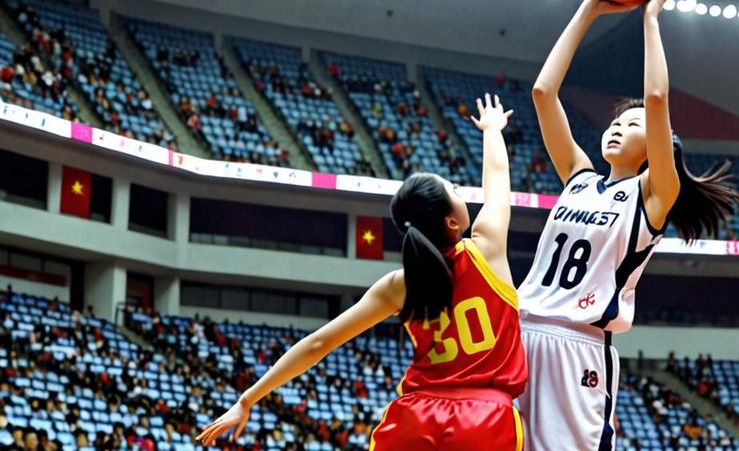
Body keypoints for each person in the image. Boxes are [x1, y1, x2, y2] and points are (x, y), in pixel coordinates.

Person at [197, 94, 526, 450]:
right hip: (485, 418)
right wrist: (492, 129)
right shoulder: (487, 247)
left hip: (415, 420)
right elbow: (498, 177)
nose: (462, 194)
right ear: (451, 220)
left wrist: (248, 398)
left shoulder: (398, 285)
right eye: (456, 190)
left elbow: (318, 344)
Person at [517, 0, 738, 450]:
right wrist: (589, 9)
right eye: (615, 120)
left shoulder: (656, 193)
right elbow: (542, 93)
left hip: (579, 346)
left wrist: (651, 18)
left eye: (632, 123)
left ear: (658, 144)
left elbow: (656, 99)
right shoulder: (578, 177)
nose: (617, 127)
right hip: (520, 331)